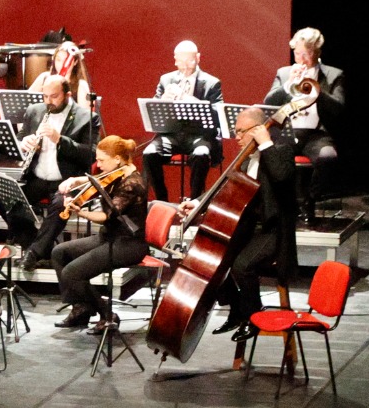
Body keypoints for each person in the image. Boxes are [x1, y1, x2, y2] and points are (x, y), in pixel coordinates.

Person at [201, 106, 297, 340]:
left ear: (257, 130)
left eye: (241, 132)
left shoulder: (281, 151)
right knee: (213, 262)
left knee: (242, 265)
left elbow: (282, 176)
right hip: (249, 229)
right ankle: (237, 310)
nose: (236, 138)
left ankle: (253, 316)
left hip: (273, 231)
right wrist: (197, 204)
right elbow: (225, 193)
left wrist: (265, 143)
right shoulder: (244, 162)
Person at [51, 136, 151, 333]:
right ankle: (81, 309)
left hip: (128, 244)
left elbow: (105, 216)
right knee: (59, 253)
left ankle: (108, 315)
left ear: (117, 159)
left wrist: (81, 212)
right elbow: (97, 180)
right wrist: (75, 180)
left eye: (102, 160)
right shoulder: (116, 173)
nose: (98, 164)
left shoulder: (133, 184)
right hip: (108, 237)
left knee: (72, 273)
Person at [10, 76, 102, 268]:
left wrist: (60, 139)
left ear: (67, 95)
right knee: (7, 200)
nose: (48, 101)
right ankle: (36, 245)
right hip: (37, 177)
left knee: (61, 204)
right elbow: (19, 139)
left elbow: (90, 155)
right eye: (45, 96)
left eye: (54, 96)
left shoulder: (87, 117)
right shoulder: (34, 111)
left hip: (68, 180)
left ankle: (34, 253)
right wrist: (24, 143)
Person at [264, 26, 345, 205]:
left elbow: (339, 108)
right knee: (271, 155)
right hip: (287, 133)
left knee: (328, 157)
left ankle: (310, 199)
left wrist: (318, 91)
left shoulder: (333, 75)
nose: (301, 59)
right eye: (297, 53)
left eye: (306, 54)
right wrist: (288, 84)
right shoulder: (284, 73)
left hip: (316, 135)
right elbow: (268, 101)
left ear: (317, 52)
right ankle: (277, 207)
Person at [142, 40, 224, 202]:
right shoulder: (166, 80)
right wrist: (163, 100)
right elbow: (153, 108)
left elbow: (218, 115)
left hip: (200, 136)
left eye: (190, 61)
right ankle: (162, 201)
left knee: (201, 155)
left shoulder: (211, 82)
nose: (185, 66)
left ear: (198, 58)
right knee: (149, 154)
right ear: (175, 59)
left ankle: (194, 203)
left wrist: (190, 99)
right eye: (181, 61)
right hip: (172, 135)